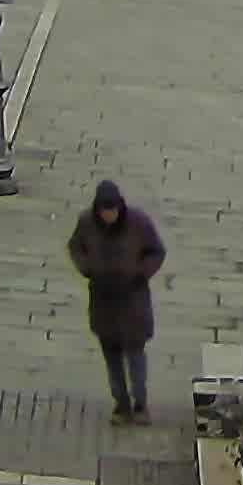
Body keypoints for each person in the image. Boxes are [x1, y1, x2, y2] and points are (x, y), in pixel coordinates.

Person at [67, 179, 165, 421]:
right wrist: (88, 268)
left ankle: (140, 405)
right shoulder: (86, 223)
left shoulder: (139, 223)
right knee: (112, 360)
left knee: (135, 358)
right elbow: (75, 247)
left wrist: (140, 273)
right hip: (103, 303)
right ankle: (121, 405)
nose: (109, 215)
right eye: (105, 210)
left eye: (112, 210)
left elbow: (156, 251)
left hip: (133, 303)